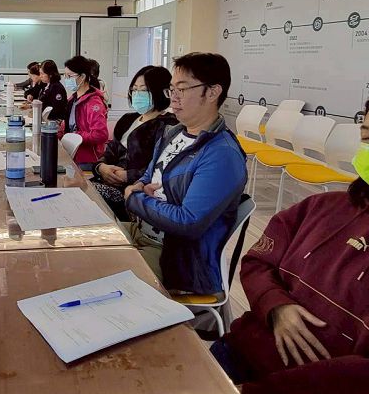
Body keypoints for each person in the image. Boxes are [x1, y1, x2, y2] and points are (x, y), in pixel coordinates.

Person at [211, 81, 369, 394]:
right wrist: (276, 306)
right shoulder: (321, 208)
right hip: (237, 356)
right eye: (366, 137)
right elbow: (257, 262)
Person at [124, 52, 247, 297]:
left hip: (176, 261)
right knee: (82, 247)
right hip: (142, 233)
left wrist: (134, 198)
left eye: (182, 89)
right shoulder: (173, 132)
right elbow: (148, 176)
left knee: (99, 275)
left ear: (212, 92)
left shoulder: (221, 154)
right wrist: (139, 186)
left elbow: (188, 221)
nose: (174, 97)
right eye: (172, 89)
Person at [92, 66, 177, 220]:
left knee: (85, 194)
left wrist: (128, 176)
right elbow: (110, 151)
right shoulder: (128, 119)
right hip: (105, 181)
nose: (138, 94)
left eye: (144, 90)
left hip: (131, 191)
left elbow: (160, 166)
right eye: (135, 90)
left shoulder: (168, 126)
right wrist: (101, 167)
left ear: (161, 92)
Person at [60, 55, 109, 165]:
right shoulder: (73, 99)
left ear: (82, 77)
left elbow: (100, 135)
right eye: (65, 76)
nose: (66, 80)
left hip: (87, 159)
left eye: (69, 76)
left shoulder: (93, 103)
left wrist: (76, 135)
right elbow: (67, 125)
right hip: (72, 153)